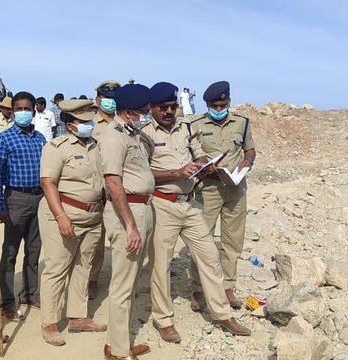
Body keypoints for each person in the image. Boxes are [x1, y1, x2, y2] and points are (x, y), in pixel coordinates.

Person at [142, 82, 251, 343]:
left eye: (173, 106)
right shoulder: (143, 134)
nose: (170, 111)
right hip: (162, 204)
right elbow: (141, 174)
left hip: (190, 204)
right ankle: (164, 319)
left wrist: (205, 164)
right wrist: (175, 173)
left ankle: (222, 313)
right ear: (152, 108)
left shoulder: (185, 128)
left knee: (210, 257)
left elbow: (198, 153)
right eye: (164, 108)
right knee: (161, 265)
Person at [38, 99, 107, 346]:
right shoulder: (56, 147)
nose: (89, 125)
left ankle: (78, 317)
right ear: (69, 124)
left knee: (83, 266)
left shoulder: (95, 146)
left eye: (90, 120)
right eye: (83, 121)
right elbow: (48, 183)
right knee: (57, 269)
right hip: (64, 216)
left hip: (92, 217)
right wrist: (61, 217)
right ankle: (49, 323)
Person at [188, 81, 256, 311]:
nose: (218, 109)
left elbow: (249, 149)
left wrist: (248, 160)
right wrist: (203, 165)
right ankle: (199, 289)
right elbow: (189, 154)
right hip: (207, 189)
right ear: (206, 104)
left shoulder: (242, 123)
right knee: (202, 238)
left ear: (229, 102)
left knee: (232, 241)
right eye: (214, 105)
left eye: (222, 104)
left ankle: (227, 287)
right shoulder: (194, 125)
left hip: (236, 187)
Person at [99, 83, 155, 359]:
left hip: (142, 209)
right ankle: (118, 351)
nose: (146, 115)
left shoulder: (133, 134)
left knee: (130, 282)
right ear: (127, 112)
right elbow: (113, 182)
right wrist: (130, 226)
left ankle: (118, 341)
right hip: (127, 214)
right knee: (122, 284)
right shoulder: (113, 137)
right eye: (142, 112)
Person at [0, 91, 46, 320]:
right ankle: (7, 302)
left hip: (39, 198)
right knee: (10, 251)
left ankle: (30, 293)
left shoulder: (41, 139)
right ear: (12, 111)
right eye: (18, 109)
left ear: (34, 110)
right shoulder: (4, 138)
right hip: (16, 199)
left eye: (27, 108)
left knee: (34, 250)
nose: (23, 112)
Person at [87, 79, 120, 299]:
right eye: (106, 98)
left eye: (113, 98)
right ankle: (92, 279)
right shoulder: (88, 123)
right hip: (97, 189)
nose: (109, 102)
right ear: (98, 99)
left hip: (120, 188)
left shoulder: (125, 122)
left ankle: (122, 282)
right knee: (96, 239)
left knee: (122, 236)